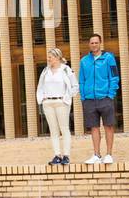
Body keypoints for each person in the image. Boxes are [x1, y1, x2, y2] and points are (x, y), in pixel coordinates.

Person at [79, 33, 120, 164]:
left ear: (100, 43)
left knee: (108, 126)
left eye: (96, 42)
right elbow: (81, 80)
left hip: (105, 98)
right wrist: (83, 96)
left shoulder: (109, 58)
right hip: (89, 99)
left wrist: (110, 94)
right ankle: (96, 154)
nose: (94, 45)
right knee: (94, 128)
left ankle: (108, 154)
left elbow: (114, 77)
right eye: (92, 43)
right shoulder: (84, 61)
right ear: (89, 45)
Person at [36, 47, 78, 166]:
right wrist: (42, 98)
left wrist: (66, 98)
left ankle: (66, 156)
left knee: (64, 129)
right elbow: (41, 86)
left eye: (50, 57)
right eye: (48, 57)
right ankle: (57, 155)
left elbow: (75, 86)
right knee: (53, 130)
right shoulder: (45, 70)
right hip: (48, 103)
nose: (48, 59)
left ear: (58, 57)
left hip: (61, 103)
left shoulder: (66, 70)